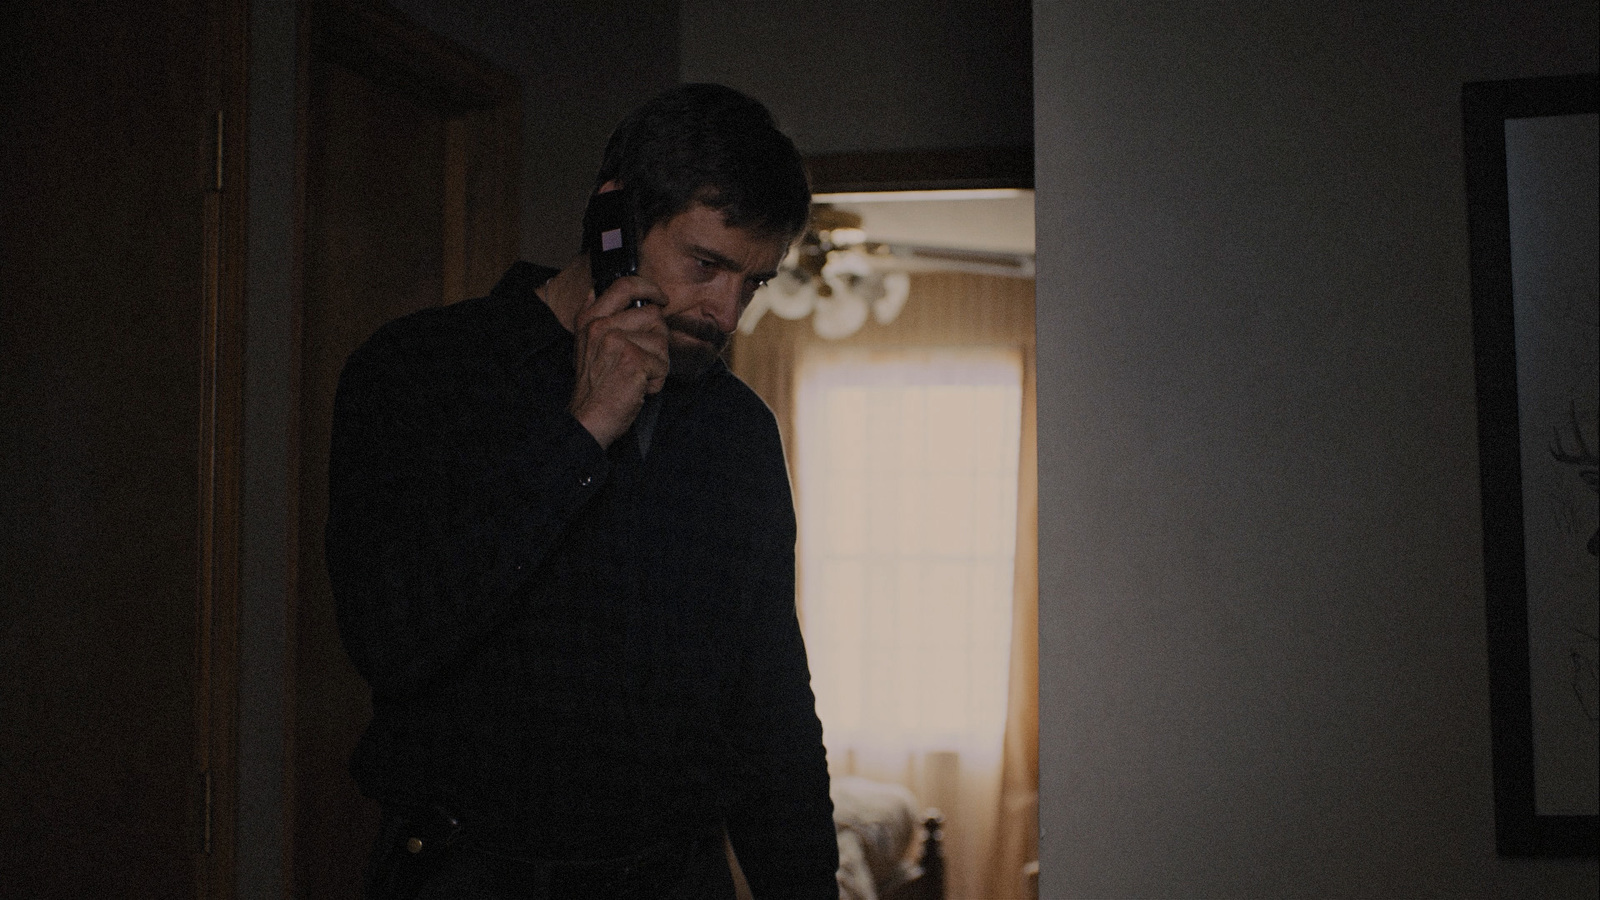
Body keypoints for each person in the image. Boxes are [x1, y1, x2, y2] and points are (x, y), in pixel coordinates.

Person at [325, 83, 838, 899]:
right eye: (705, 265)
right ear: (615, 221)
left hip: (674, 877)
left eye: (754, 283)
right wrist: (584, 428)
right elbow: (394, 636)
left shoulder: (737, 433)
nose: (725, 313)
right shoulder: (419, 372)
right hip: (468, 874)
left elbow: (769, 702)